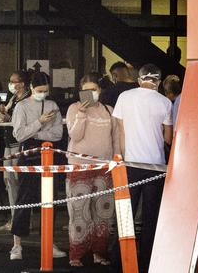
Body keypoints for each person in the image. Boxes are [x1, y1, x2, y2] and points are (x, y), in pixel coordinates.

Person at [112, 64, 173, 273]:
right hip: (156, 165)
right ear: (158, 81)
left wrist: (124, 156)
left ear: (139, 80)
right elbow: (168, 137)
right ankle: (148, 262)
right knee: (150, 216)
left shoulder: (125, 97)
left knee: (125, 212)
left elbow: (121, 131)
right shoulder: (165, 102)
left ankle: (120, 260)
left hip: (130, 163)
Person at [65, 73, 120, 267]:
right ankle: (76, 254)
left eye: (93, 90)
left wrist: (117, 159)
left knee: (103, 213)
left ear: (100, 90)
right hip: (79, 166)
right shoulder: (73, 109)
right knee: (79, 211)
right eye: (86, 91)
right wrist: (82, 113)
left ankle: (99, 252)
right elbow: (75, 135)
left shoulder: (108, 110)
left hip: (104, 168)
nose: (90, 94)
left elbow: (116, 139)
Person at [9, 71, 65, 261]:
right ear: (32, 88)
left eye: (46, 90)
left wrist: (36, 133)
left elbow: (58, 134)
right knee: (24, 199)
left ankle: (48, 242)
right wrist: (39, 123)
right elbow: (19, 134)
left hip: (49, 154)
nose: (43, 93)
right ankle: (16, 244)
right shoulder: (22, 106)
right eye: (40, 90)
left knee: (49, 200)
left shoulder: (52, 105)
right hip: (29, 155)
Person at [0, 69, 32, 231]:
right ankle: (14, 217)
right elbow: (9, 119)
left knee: (20, 182)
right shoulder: (12, 98)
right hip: (8, 144)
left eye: (14, 81)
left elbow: (23, 122)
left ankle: (23, 220)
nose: (11, 84)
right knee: (8, 181)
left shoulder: (28, 99)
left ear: (23, 84)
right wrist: (2, 114)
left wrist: (9, 118)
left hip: (20, 144)